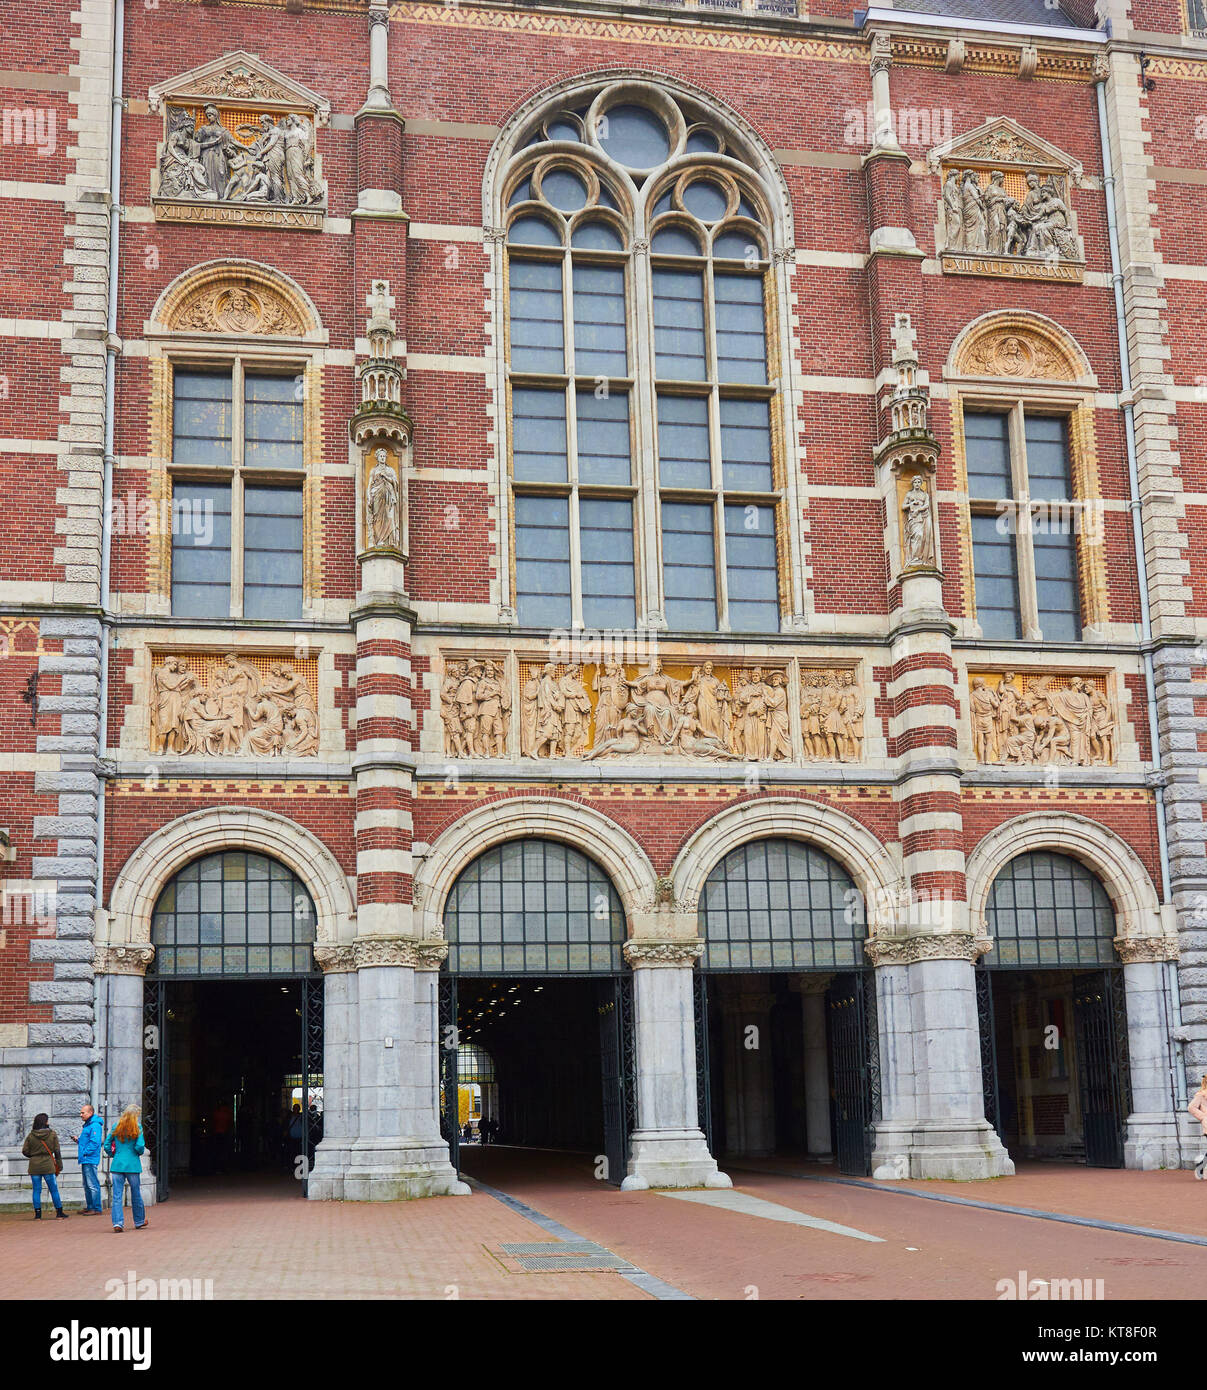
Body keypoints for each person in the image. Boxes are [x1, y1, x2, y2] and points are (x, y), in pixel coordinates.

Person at [104, 1104, 148, 1233]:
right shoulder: (137, 1127)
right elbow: (140, 1146)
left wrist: (114, 1154)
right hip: (132, 1164)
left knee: (117, 1195)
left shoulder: (116, 1126)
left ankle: (118, 1223)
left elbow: (107, 1144)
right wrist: (135, 1153)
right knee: (136, 1193)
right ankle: (139, 1220)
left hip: (117, 1164)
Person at [22, 1113, 67, 1220]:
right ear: (45, 1122)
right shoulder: (52, 1134)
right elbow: (57, 1151)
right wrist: (59, 1165)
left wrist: (33, 1156)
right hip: (48, 1165)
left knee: (36, 1190)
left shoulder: (31, 1135)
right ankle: (59, 1212)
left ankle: (38, 1214)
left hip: (34, 1166)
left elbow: (25, 1151)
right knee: (53, 1190)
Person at [77, 1103, 104, 1214]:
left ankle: (96, 1208)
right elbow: (88, 1141)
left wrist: (85, 1153)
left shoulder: (94, 1125)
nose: (81, 1115)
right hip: (86, 1158)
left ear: (90, 1113)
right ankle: (91, 1206)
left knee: (92, 1184)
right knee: (87, 1184)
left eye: (83, 1112)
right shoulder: (89, 1125)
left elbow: (95, 1142)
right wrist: (78, 1140)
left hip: (89, 1158)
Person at [1190, 1075, 1207, 1179]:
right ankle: (1201, 1166)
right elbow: (1191, 1107)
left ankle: (1201, 1165)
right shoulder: (1201, 1095)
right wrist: (1204, 1117)